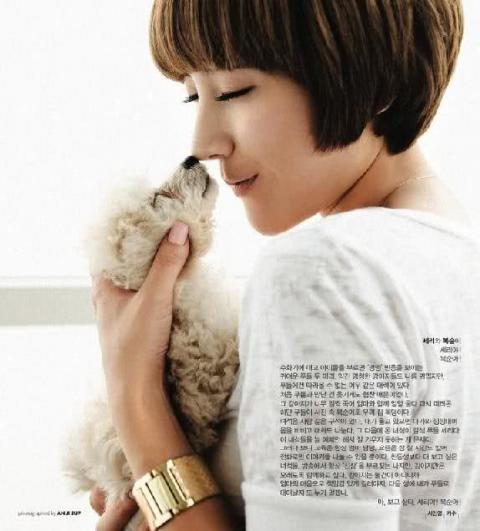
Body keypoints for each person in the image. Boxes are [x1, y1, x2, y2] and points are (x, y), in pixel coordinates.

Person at [90, 0, 480, 529]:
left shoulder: (325, 273)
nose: (202, 144)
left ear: (365, 70)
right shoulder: (456, 264)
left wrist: (135, 397)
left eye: (234, 91)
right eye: (193, 96)